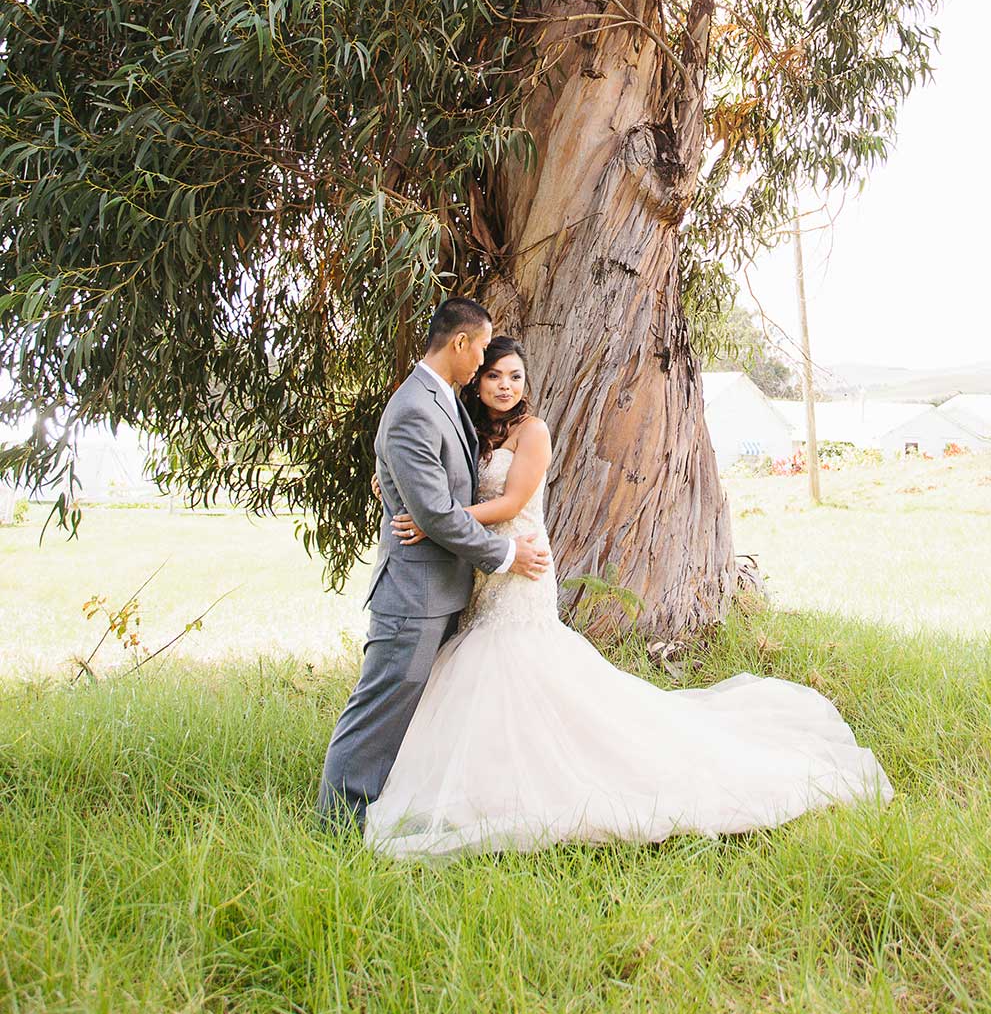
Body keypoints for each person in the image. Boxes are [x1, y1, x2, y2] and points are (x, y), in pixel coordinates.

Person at [364, 334, 891, 858]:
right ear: (477, 381)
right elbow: (434, 479)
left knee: (518, 664)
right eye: (494, 375)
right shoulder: (466, 428)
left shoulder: (533, 431)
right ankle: (488, 778)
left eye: (515, 376)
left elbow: (512, 501)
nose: (504, 385)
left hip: (522, 566)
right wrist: (402, 491)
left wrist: (436, 522)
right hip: (484, 570)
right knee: (481, 673)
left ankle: (554, 775)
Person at [316, 298, 551, 829]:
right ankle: (338, 824)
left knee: (422, 710)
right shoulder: (414, 406)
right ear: (461, 344)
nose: (487, 365)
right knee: (380, 706)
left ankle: (399, 806)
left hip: (447, 587)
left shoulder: (444, 399)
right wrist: (507, 553)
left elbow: (445, 484)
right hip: (413, 591)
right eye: (484, 353)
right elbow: (437, 511)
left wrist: (396, 486)